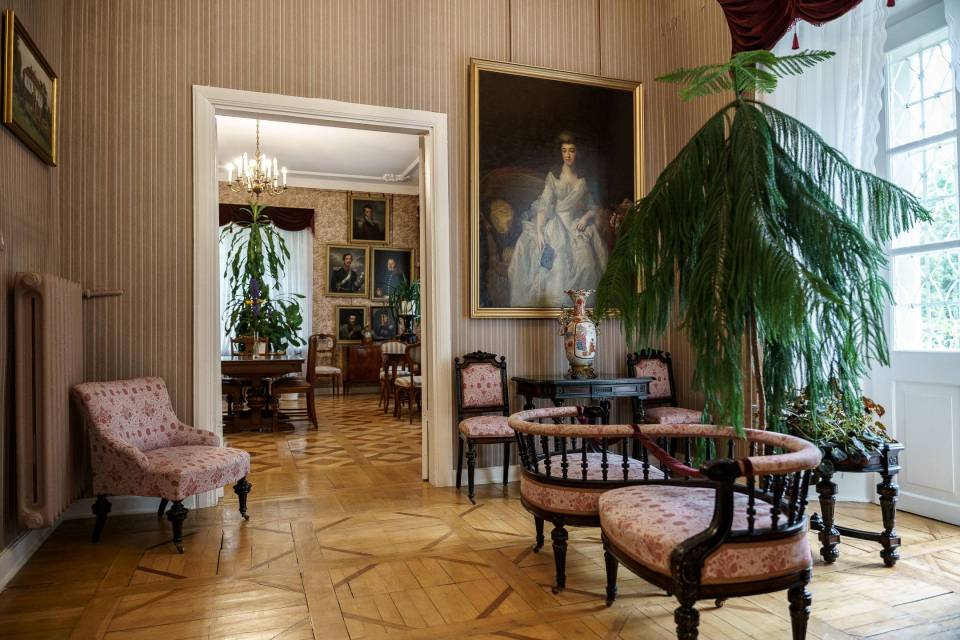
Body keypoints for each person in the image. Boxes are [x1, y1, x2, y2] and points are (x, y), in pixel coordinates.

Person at [508, 131, 609, 308]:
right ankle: (559, 307)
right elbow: (544, 206)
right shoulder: (553, 176)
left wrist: (585, 218)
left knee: (587, 264)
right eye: (564, 150)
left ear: (577, 153)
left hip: (575, 225)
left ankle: (581, 309)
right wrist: (540, 232)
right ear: (560, 153)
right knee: (559, 262)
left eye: (572, 150)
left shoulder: (583, 179)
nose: (568, 155)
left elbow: (592, 206)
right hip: (556, 225)